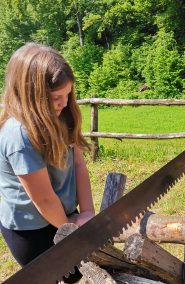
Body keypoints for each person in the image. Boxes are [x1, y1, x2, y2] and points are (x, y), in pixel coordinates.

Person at [0, 43, 95, 283]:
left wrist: (86, 213)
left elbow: (79, 165)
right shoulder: (19, 135)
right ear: (31, 96)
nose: (64, 103)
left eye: (68, 95)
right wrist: (69, 230)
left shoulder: (61, 116)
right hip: (30, 228)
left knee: (73, 273)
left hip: (58, 211)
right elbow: (42, 199)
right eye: (56, 97)